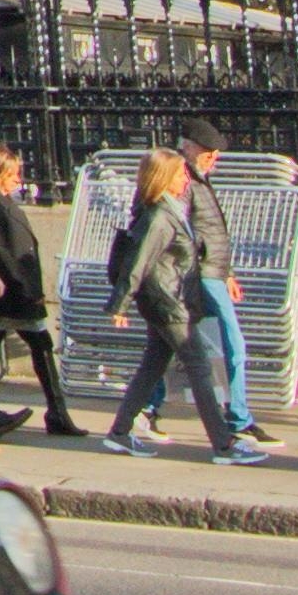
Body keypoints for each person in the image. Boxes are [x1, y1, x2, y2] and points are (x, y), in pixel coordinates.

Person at [104, 148, 219, 451]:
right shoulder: (158, 216)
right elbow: (138, 262)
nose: (186, 179)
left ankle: (118, 433)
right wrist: (120, 303)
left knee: (153, 365)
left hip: (170, 298)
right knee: (199, 366)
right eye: (180, 174)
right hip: (167, 302)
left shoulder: (170, 209)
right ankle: (224, 444)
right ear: (164, 177)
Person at [0, 142, 83, 441]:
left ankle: (55, 412)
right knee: (26, 346)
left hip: (14, 292)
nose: (18, 180)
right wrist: (24, 288)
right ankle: (53, 413)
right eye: (13, 174)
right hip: (9, 294)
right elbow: (1, 250)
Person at [172, 123, 267, 457]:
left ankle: (145, 410)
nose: (214, 161)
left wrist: (227, 272)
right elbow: (183, 231)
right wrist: (207, 269)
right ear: (193, 148)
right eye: (210, 154)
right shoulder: (182, 180)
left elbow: (208, 230)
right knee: (233, 343)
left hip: (212, 273)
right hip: (201, 275)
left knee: (169, 346)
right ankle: (238, 417)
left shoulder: (198, 178)